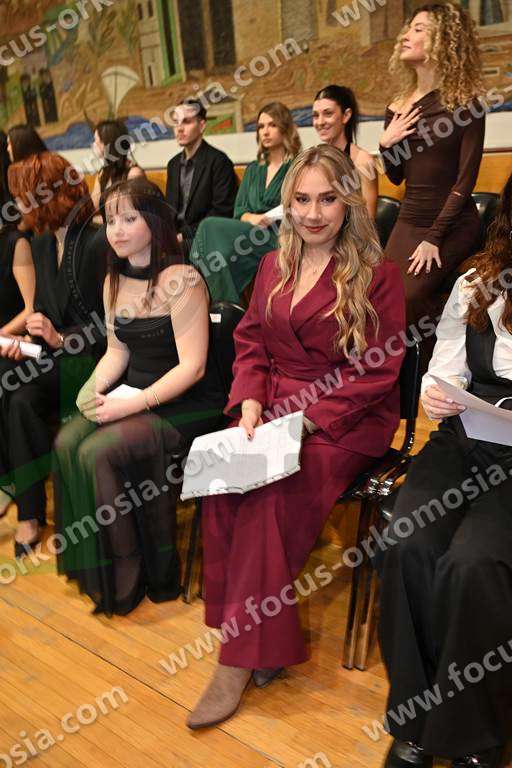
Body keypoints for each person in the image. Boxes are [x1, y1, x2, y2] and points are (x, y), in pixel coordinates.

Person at [187, 144, 405, 730]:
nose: (312, 213)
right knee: (221, 482)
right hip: (273, 405)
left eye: (327, 199)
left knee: (269, 498)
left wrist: (305, 420)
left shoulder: (379, 276)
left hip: (344, 419)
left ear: (348, 202)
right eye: (302, 199)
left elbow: (377, 371)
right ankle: (259, 641)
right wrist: (250, 400)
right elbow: (251, 341)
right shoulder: (272, 265)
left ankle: (236, 661)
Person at [377, 173, 512, 768]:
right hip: (467, 435)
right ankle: (414, 720)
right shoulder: (478, 282)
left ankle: (474, 737)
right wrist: (438, 393)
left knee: (472, 563)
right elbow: (446, 369)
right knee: (407, 541)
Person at [53, 179, 225, 616]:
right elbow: (117, 352)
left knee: (97, 452)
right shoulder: (113, 280)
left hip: (187, 403)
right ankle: (100, 571)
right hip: (136, 392)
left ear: (153, 222)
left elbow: (193, 368)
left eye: (129, 218)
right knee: (67, 440)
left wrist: (132, 403)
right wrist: (92, 389)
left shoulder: (183, 279)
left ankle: (134, 574)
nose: (117, 230)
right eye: (110, 220)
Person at [0, 152, 107, 557]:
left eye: (23, 196)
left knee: (17, 393)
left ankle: (24, 504)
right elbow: (43, 310)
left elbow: (112, 326)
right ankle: (28, 511)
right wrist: (27, 342)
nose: (18, 205)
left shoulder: (96, 242)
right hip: (57, 359)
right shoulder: (43, 244)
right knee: (16, 394)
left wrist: (59, 338)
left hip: (96, 363)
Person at [379, 3, 485, 329]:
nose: (405, 36)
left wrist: (434, 237)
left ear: (443, 39)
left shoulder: (466, 105)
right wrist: (385, 145)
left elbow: (465, 182)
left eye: (418, 29)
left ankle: (433, 361)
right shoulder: (397, 107)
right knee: (378, 296)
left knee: (410, 298)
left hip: (452, 223)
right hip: (409, 219)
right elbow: (396, 176)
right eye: (408, 28)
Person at [190, 102, 301, 303]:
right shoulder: (253, 169)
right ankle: (227, 306)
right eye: (261, 126)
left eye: (272, 125)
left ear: (285, 128)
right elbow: (239, 210)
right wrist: (253, 218)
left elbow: (299, 206)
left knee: (208, 228)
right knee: (217, 253)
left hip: (280, 235)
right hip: (249, 231)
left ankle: (224, 305)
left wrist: (268, 218)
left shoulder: (297, 167)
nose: (265, 131)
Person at [0, 130, 35, 518]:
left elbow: (30, 309)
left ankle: (9, 481)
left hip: (18, 338)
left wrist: (3, 333)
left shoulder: (15, 243)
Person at [165, 100, 238, 257]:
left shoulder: (219, 161)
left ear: (202, 125)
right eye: (176, 122)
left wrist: (183, 235)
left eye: (187, 121)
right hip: (175, 236)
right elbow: (169, 209)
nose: (179, 128)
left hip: (205, 236)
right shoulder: (173, 164)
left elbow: (222, 212)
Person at [313, 85, 377, 218]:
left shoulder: (363, 162)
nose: (320, 122)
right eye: (315, 115)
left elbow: (368, 219)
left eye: (328, 114)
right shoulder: (315, 159)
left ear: (346, 115)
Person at [90, 119, 144, 214]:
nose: (93, 144)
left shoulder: (133, 173)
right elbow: (94, 206)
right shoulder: (103, 172)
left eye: (96, 140)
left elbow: (131, 210)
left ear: (108, 143)